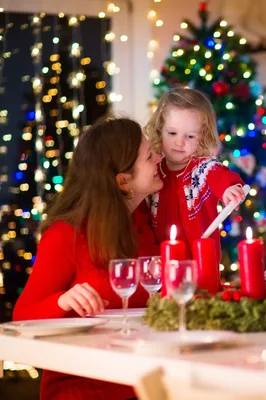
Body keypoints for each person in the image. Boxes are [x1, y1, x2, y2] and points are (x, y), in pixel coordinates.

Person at [13, 118, 163, 399]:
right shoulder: (66, 235)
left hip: (142, 381)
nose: (159, 157)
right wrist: (62, 300)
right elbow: (22, 315)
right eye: (149, 156)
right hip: (85, 387)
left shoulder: (144, 226)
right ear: (123, 180)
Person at [144, 88, 245, 261]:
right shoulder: (153, 169)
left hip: (201, 263)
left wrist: (229, 189)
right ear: (160, 129)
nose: (179, 142)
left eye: (190, 136)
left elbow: (219, 175)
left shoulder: (203, 169)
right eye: (172, 133)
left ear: (203, 137)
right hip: (160, 264)